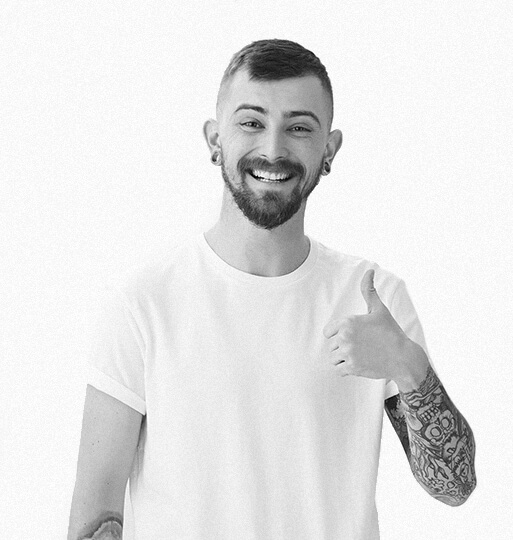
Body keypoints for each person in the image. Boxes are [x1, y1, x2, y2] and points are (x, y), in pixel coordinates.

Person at [68, 39, 476, 540]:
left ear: (329, 149)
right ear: (215, 139)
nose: (273, 149)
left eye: (299, 128)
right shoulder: (143, 305)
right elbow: (95, 510)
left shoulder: (372, 299)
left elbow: (454, 487)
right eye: (251, 123)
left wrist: (409, 366)